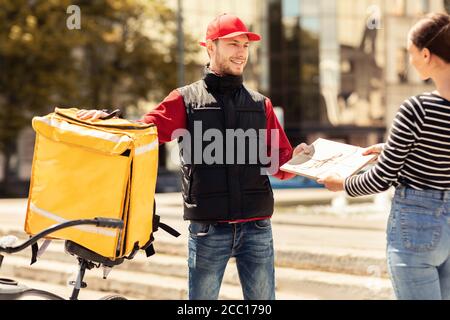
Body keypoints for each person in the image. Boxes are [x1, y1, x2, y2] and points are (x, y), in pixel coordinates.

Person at [77, 13, 305, 300]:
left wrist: (300, 159)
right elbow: (141, 131)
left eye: (245, 46)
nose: (241, 52)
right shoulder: (184, 99)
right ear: (211, 47)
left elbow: (281, 165)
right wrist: (105, 121)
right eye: (233, 44)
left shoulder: (261, 105)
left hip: (257, 227)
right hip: (208, 230)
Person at [313, 13, 450, 300]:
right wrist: (391, 149)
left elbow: (382, 178)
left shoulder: (417, 109)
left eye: (410, 53)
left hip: (417, 226)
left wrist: (342, 184)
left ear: (426, 54)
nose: (410, 61)